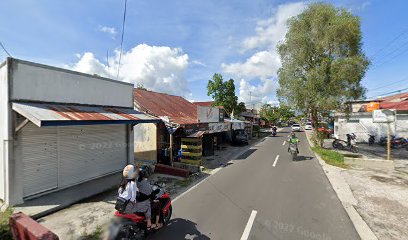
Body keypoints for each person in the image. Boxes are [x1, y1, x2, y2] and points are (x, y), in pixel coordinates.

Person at [135, 166, 162, 231]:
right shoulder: (146, 185)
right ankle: (155, 224)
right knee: (158, 203)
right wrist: (156, 192)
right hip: (143, 205)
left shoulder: (136, 181)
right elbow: (152, 196)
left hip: (135, 202)